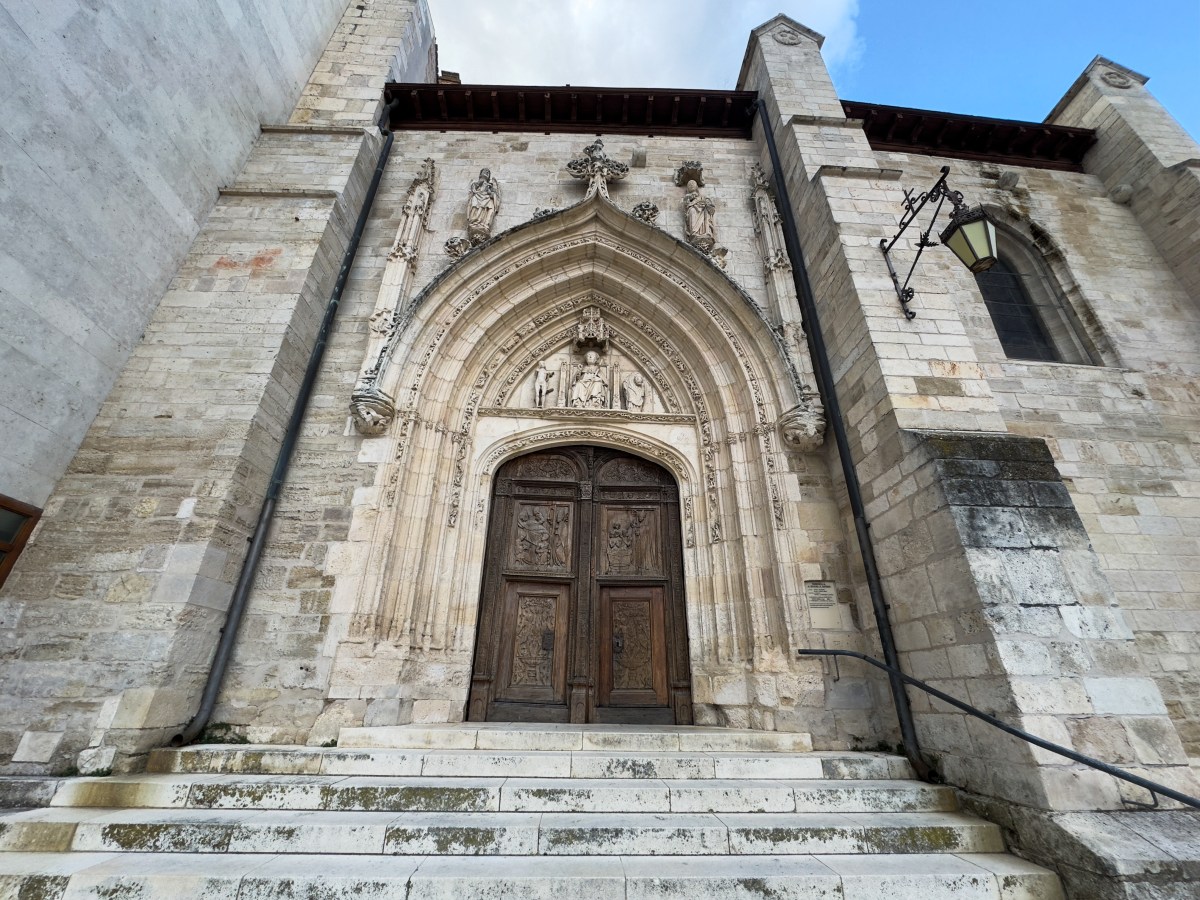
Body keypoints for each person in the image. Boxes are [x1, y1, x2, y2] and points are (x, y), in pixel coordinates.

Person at [466, 168, 499, 243]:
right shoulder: (475, 184)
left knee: (489, 208)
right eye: (484, 172)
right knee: (475, 207)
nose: (486, 173)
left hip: (487, 199)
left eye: (487, 172)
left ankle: (484, 224)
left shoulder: (490, 185)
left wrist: (489, 190)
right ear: (480, 173)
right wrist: (479, 184)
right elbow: (472, 191)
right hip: (477, 198)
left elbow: (494, 196)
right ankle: (475, 222)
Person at [683, 179, 716, 252]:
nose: (691, 185)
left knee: (705, 215)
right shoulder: (687, 198)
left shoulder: (703, 197)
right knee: (692, 211)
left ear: (697, 186)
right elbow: (685, 206)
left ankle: (705, 233)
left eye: (693, 184)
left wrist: (707, 205)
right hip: (693, 212)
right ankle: (694, 233)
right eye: (689, 185)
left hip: (703, 214)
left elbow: (711, 208)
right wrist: (689, 199)